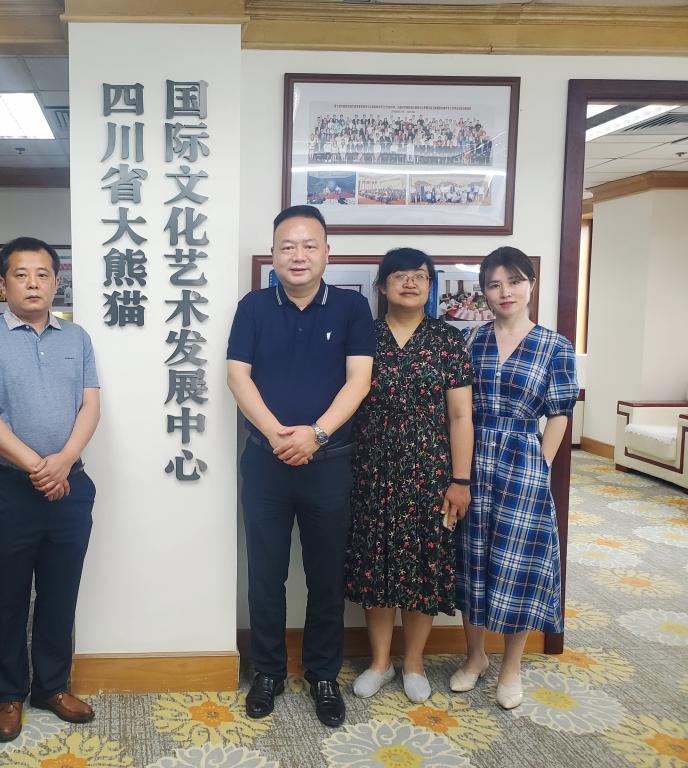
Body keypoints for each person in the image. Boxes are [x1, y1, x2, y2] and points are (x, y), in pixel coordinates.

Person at [227, 205, 375, 727]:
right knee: (265, 574)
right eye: (287, 246)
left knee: (326, 576)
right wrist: (276, 434)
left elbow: (359, 380)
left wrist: (316, 434)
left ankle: (322, 674)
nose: (298, 255)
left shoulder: (352, 308)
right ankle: (268, 671)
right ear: (273, 253)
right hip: (265, 462)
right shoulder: (253, 307)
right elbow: (237, 376)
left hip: (329, 462)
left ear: (327, 253)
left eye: (310, 245)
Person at [0, 237, 100, 743]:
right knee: (8, 595)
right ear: (4, 283)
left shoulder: (77, 338)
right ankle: (9, 693)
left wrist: (61, 463)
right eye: (21, 274)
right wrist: (38, 467)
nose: (33, 284)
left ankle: (52, 687)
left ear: (57, 282)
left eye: (43, 274)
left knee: (60, 593)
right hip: (10, 488)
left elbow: (90, 407)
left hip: (69, 485)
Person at [452, 246, 579, 710]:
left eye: (514, 281)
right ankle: (475, 657)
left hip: (522, 460)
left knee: (518, 564)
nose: (505, 292)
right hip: (471, 462)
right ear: (483, 292)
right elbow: (457, 409)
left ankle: (511, 667)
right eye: (494, 284)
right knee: (471, 560)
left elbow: (560, 413)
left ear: (531, 285)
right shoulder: (469, 341)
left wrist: (541, 464)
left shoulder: (555, 346)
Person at [345, 248, 474, 703]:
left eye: (420, 275)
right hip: (371, 470)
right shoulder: (364, 335)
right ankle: (380, 662)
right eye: (399, 275)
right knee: (376, 566)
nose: (410, 282)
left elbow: (461, 416)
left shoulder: (447, 340)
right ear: (382, 286)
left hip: (430, 473)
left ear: (430, 286)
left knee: (423, 568)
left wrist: (461, 480)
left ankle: (414, 662)